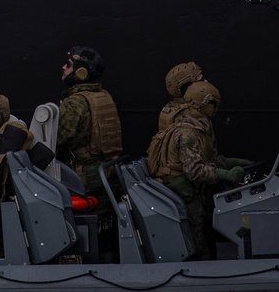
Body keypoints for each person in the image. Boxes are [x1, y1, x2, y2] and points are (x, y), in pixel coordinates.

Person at [147, 80, 251, 260]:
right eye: (213, 104)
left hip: (194, 190)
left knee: (208, 234)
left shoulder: (199, 125)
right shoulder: (187, 133)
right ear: (204, 103)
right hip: (184, 193)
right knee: (199, 243)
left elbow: (206, 159)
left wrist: (227, 162)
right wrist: (226, 174)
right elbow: (194, 170)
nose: (215, 108)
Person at [55, 46, 122, 196]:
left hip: (86, 178)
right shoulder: (104, 96)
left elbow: (56, 140)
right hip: (110, 172)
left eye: (69, 64)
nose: (64, 67)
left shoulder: (74, 103)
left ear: (81, 72)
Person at [157, 60, 204, 132]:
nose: (205, 82)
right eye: (200, 81)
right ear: (189, 87)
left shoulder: (171, 109)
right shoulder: (189, 116)